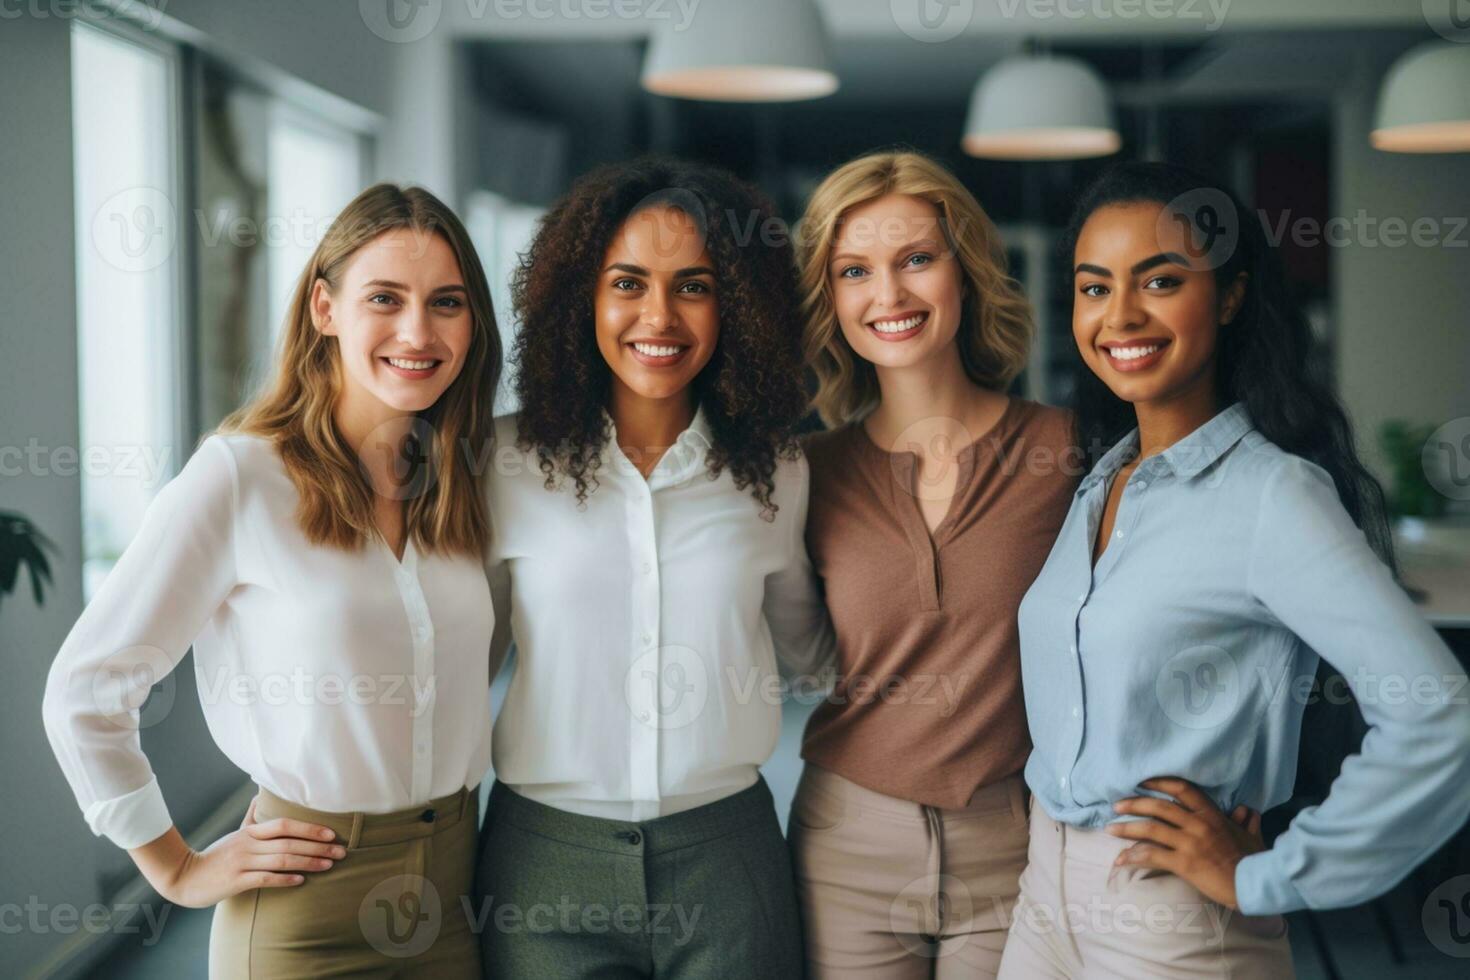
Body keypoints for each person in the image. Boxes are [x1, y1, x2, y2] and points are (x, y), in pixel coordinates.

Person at [998, 161, 1470, 978]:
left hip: (1170, 921)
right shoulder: (1103, 481)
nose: (1121, 315)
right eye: (1094, 286)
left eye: (1161, 280)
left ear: (1229, 295)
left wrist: (1271, 875)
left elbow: (1441, 714)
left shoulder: (1272, 495)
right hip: (1042, 898)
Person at [43, 183, 503, 977]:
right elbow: (84, 691)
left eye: (447, 303)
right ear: (325, 308)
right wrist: (177, 869)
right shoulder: (240, 477)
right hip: (307, 907)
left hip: (455, 891)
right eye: (384, 299)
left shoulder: (466, 481)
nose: (418, 332)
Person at [475, 157, 834, 978]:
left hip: (727, 862)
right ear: (581, 299)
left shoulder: (777, 469)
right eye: (627, 283)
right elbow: (462, 660)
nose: (659, 316)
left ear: (737, 307)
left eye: (695, 286)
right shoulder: (503, 460)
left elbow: (817, 652)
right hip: (542, 865)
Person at [789, 149, 1077, 977]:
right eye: (855, 270)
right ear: (830, 296)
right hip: (845, 849)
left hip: (1016, 846)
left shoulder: (1067, 452)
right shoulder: (805, 472)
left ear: (968, 271)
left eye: (917, 259)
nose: (889, 295)